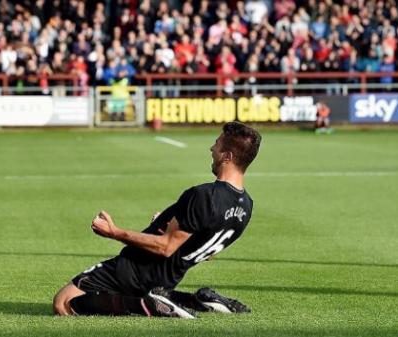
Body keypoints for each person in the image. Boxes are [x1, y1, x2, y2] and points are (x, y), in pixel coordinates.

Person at [53, 122, 262, 318]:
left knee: (63, 302)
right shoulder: (246, 206)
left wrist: (114, 232)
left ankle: (150, 305)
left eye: (216, 145)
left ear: (227, 156)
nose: (211, 149)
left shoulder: (204, 195)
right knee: (97, 296)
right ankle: (195, 301)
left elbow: (166, 247)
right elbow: (205, 250)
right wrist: (164, 222)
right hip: (167, 278)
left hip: (136, 269)